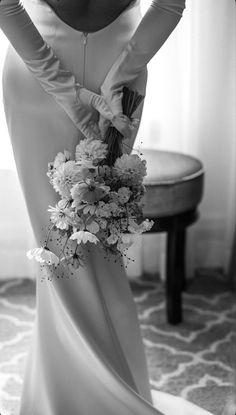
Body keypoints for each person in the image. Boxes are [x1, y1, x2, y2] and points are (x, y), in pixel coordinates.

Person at [0, 1, 201, 414]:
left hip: (39, 59)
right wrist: (122, 73)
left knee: (63, 244)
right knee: (87, 238)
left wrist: (64, 88)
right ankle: (97, 386)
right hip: (118, 65)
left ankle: (76, 395)